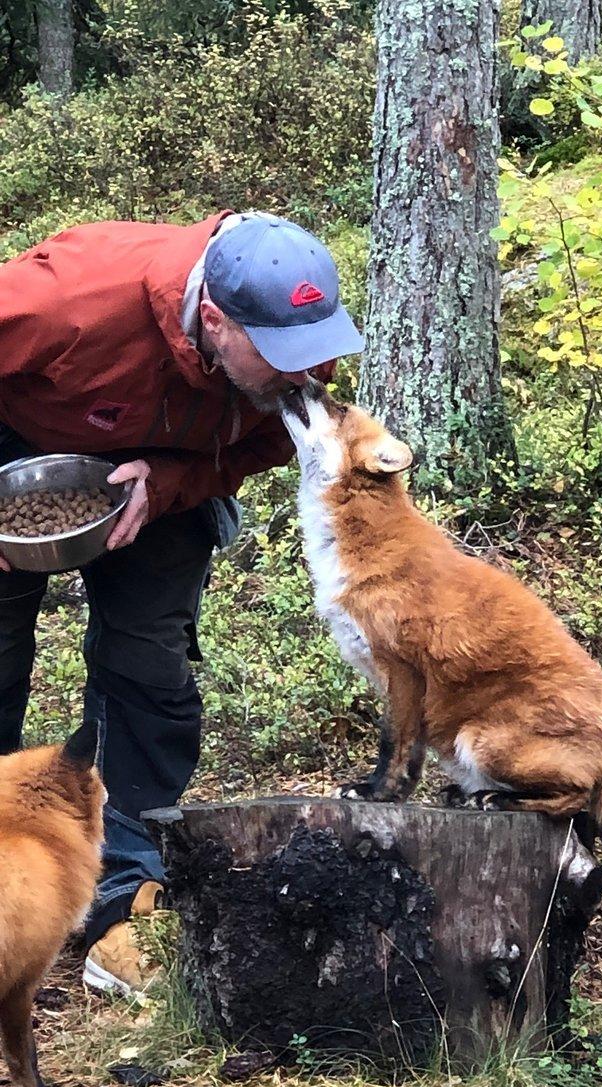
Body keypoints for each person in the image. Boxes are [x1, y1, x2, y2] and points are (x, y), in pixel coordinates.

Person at [0, 211, 364, 994]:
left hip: (162, 475)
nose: (304, 377)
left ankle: (122, 888)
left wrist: (166, 487)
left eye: (313, 354)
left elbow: (263, 443)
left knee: (146, 664)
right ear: (212, 320)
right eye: (280, 359)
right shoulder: (66, 300)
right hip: (18, 446)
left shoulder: (295, 355)